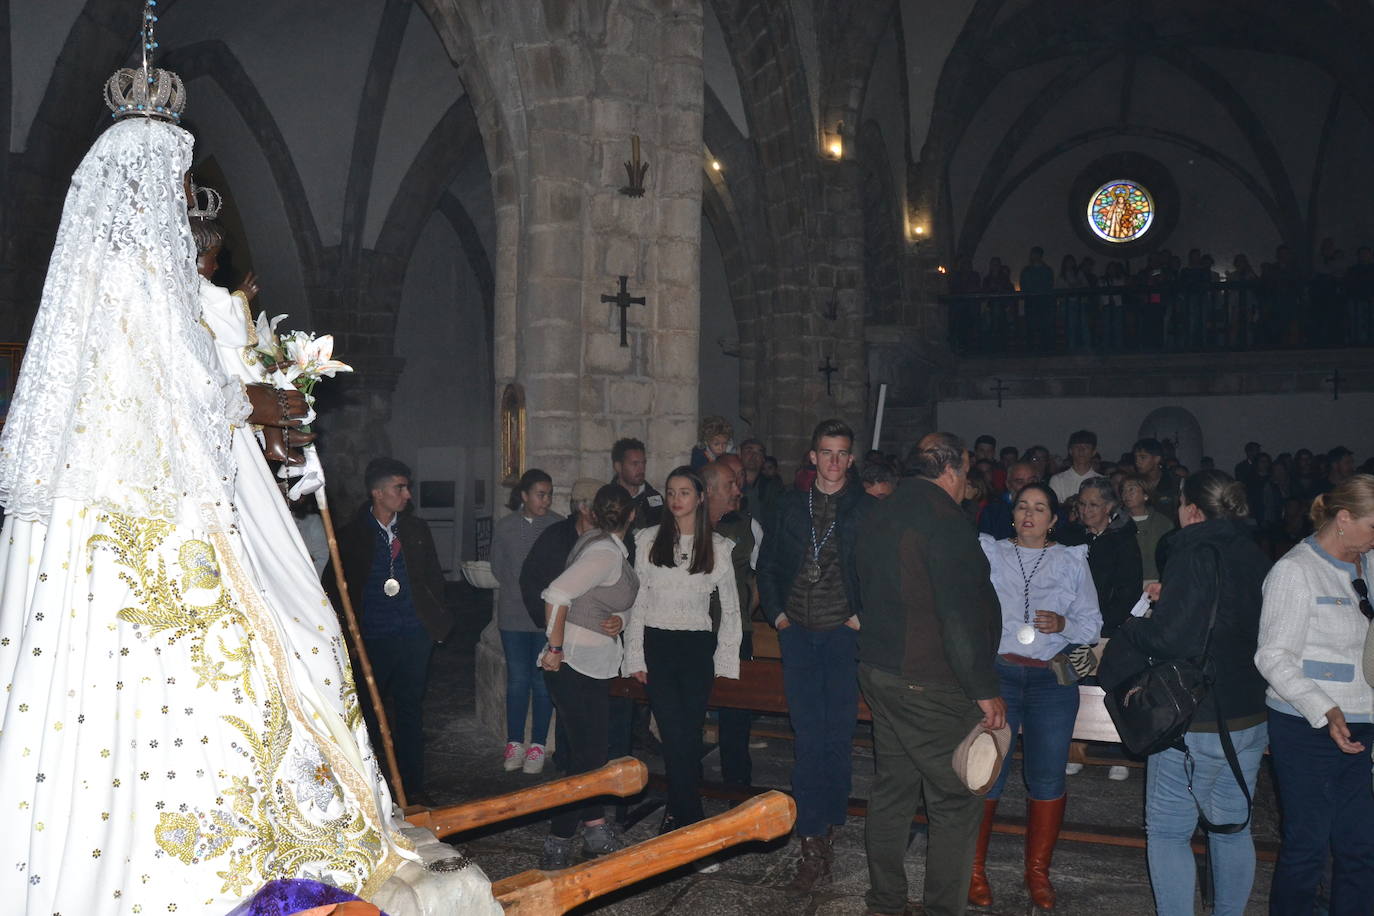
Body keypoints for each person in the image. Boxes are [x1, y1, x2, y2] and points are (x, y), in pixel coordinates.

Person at [0, 103, 487, 910]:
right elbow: (155, 397)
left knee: (301, 638)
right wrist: (250, 398)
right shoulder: (120, 292)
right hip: (138, 524)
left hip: (185, 503)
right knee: (190, 688)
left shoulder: (170, 296)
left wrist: (261, 411)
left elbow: (203, 395)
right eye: (179, 184)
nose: (189, 200)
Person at [1100, 470, 1271, 916]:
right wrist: (1172, 599)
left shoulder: (1193, 549)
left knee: (1169, 831)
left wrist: (1136, 629)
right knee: (1231, 828)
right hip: (1249, 713)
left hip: (1196, 717)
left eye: (1178, 504)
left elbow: (1173, 640)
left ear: (1192, 509)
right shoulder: (1254, 552)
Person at [855, 433, 1005, 916]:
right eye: (965, 470)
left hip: (881, 671)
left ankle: (885, 902)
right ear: (950, 468)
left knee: (894, 789)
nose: (966, 483)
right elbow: (959, 617)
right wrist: (984, 690)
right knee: (956, 800)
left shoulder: (879, 512)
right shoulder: (945, 520)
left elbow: (860, 589)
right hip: (930, 680)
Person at [976, 483, 1102, 911]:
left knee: (1047, 776)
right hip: (1001, 673)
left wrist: (1063, 623)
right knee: (987, 771)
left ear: (1053, 519)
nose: (1029, 514)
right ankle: (974, 869)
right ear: (1014, 515)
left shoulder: (1070, 559)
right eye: (1023, 507)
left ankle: (1037, 872)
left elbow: (1091, 625)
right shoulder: (991, 553)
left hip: (1051, 678)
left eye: (1040, 508)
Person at [757, 419, 868, 891]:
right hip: (798, 632)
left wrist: (861, 615)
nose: (834, 462)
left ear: (851, 459)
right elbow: (767, 568)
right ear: (812, 456)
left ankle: (830, 821)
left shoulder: (865, 508)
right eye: (826, 452)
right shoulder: (788, 504)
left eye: (842, 453)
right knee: (807, 735)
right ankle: (810, 839)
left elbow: (881, 569)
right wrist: (779, 617)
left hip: (843, 634)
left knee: (837, 736)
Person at [1255, 474, 1374, 913]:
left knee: (1360, 848)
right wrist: (1323, 707)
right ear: (1344, 518)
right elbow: (1272, 657)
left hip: (1364, 724)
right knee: (1307, 848)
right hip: (1307, 726)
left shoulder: (1370, 562)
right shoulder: (1294, 571)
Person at [324, 458, 451, 803]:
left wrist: (434, 626)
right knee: (369, 715)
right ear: (377, 493)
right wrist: (347, 639)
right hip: (373, 641)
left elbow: (433, 580)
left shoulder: (416, 531)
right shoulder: (350, 535)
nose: (407, 494)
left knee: (410, 712)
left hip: (413, 636)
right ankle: (373, 787)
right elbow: (334, 588)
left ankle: (413, 787)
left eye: (407, 487)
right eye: (399, 487)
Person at [624, 467, 741, 838]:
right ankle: (691, 823)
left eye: (684, 492)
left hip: (695, 648)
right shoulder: (647, 541)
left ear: (700, 497)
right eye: (671, 492)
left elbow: (731, 608)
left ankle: (680, 818)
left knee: (687, 737)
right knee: (675, 737)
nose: (676, 499)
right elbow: (637, 604)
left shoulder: (718, 547)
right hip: (658, 645)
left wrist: (725, 658)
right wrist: (635, 656)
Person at [537, 484, 639, 869]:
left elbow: (603, 600)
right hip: (575, 663)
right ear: (632, 515)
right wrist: (556, 648)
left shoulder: (599, 544)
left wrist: (622, 619)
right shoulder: (604, 552)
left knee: (588, 753)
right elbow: (557, 593)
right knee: (589, 756)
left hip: (590, 663)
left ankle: (594, 827)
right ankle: (559, 839)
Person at [489, 468, 562, 773]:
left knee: (542, 681)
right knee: (518, 680)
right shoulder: (506, 527)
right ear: (524, 496)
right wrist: (519, 592)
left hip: (546, 615)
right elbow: (497, 567)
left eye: (548, 494)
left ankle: (538, 745)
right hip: (513, 614)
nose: (545, 500)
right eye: (539, 494)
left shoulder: (558, 525)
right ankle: (514, 742)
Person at [704, 455, 763, 790]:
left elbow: (759, 576)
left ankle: (736, 783)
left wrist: (744, 611)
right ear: (709, 490)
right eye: (730, 483)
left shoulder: (743, 525)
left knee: (736, 712)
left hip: (733, 630)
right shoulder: (684, 525)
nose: (738, 490)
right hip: (695, 631)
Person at [612, 437, 662, 558]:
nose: (641, 469)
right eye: (635, 464)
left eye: (643, 463)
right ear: (618, 467)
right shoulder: (608, 500)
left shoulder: (655, 498)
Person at [1121, 473, 1171, 583]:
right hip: (1126, 583)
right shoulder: (1118, 523)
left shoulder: (1163, 523)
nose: (1126, 494)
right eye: (1123, 490)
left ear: (1146, 495)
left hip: (1156, 582)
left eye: (1131, 490)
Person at [979, 460, 1040, 540]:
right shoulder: (993, 512)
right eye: (1020, 482)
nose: (1027, 486)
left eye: (1032, 481)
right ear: (1008, 484)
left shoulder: (1047, 510)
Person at [1048, 429, 1102, 503]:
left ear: (1093, 452)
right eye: (1077, 447)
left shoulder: (1102, 481)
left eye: (1086, 447)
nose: (1081, 451)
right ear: (1070, 451)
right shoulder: (1057, 480)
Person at [1134, 438, 1179, 524]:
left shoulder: (1174, 482)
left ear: (1157, 459)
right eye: (1136, 457)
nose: (1137, 462)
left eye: (1143, 457)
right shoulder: (1134, 483)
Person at [739, 437, 782, 521]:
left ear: (763, 459)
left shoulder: (772, 486)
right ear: (740, 455)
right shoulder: (733, 485)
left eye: (759, 452)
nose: (754, 456)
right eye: (749, 451)